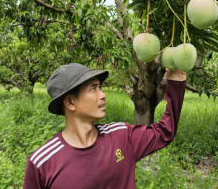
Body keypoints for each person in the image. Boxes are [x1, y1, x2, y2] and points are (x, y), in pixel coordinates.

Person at [23, 63, 187, 189]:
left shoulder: (121, 137)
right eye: (93, 88)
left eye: (100, 87)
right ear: (70, 102)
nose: (103, 95)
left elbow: (165, 132)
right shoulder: (42, 163)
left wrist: (177, 82)